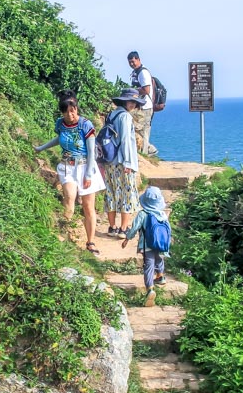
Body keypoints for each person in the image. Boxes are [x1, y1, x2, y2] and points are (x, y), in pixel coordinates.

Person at [33, 90, 106, 255]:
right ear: (62, 111)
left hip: (86, 166)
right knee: (69, 197)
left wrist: (88, 174)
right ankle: (63, 235)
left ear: (76, 108)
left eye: (73, 110)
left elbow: (91, 151)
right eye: (67, 111)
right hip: (67, 166)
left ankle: (90, 242)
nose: (71, 114)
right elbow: (60, 138)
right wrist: (41, 148)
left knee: (88, 206)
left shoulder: (86, 124)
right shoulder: (60, 123)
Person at [103, 88, 143, 237]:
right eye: (131, 101)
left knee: (111, 193)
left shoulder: (111, 115)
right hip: (122, 162)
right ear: (124, 101)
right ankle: (124, 228)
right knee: (127, 194)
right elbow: (126, 140)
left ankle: (112, 227)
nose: (132, 104)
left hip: (109, 160)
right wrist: (128, 162)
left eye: (134, 102)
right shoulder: (125, 116)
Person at [121, 186, 170, 306]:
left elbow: (134, 228)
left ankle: (150, 289)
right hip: (161, 244)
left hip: (147, 245)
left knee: (149, 265)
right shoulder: (163, 214)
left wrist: (127, 238)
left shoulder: (143, 214)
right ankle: (160, 276)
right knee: (159, 258)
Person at [127, 51, 158, 156]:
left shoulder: (142, 72)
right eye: (130, 62)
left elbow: (146, 90)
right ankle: (150, 150)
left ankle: (145, 154)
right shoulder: (136, 72)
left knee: (144, 132)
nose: (131, 64)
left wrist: (133, 92)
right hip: (140, 106)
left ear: (138, 59)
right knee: (138, 130)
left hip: (146, 107)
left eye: (133, 61)